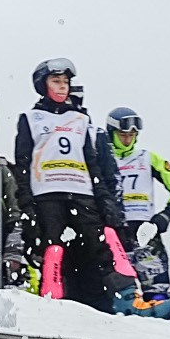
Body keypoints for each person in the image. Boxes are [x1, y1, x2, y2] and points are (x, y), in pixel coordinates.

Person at [12, 57, 132, 311]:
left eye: (66, 82)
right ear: (43, 85)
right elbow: (22, 165)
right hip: (48, 196)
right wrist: (27, 206)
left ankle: (100, 311)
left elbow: (92, 163)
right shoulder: (30, 118)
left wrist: (105, 201)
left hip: (82, 194)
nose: (62, 87)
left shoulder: (80, 119)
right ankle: (56, 308)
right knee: (54, 252)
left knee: (93, 255)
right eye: (56, 81)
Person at [106, 107, 170, 319]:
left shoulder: (147, 158)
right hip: (116, 232)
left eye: (131, 135)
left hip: (145, 232)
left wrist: (166, 214)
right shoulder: (103, 158)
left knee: (158, 294)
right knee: (121, 293)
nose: (126, 139)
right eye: (122, 135)